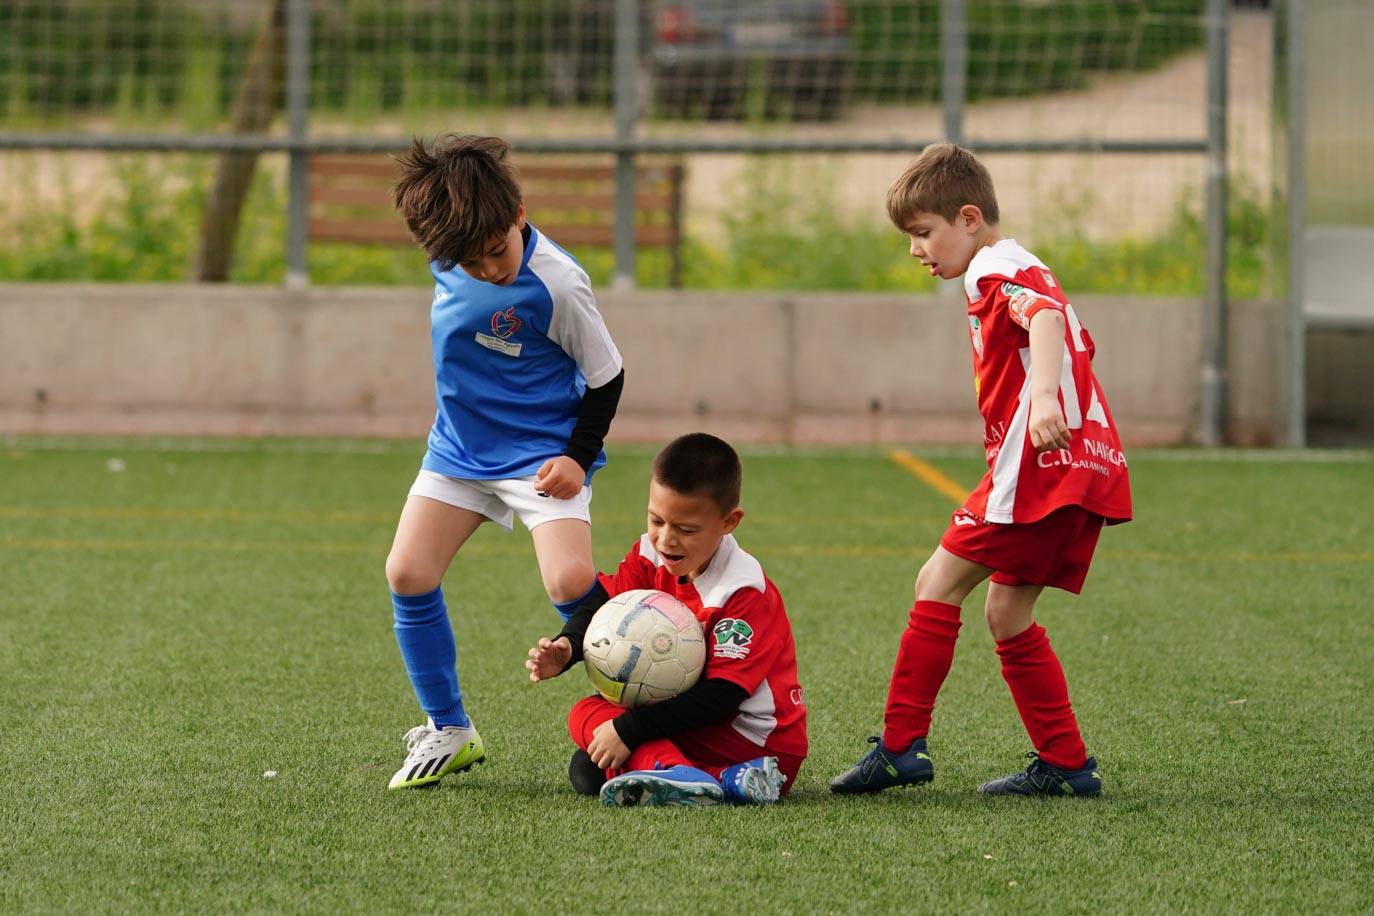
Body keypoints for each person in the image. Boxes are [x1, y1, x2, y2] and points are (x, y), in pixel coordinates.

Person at [830, 143, 1132, 798]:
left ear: (969, 218)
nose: (916, 250)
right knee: (1007, 612)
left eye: (923, 233)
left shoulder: (991, 269)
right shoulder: (1026, 263)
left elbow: (1046, 320)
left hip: (1039, 471)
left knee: (936, 582)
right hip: (1085, 470)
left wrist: (1047, 397)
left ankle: (901, 745)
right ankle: (1067, 764)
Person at [382, 134, 626, 790]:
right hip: (459, 450)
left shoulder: (558, 284)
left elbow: (608, 375)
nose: (490, 269)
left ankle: (648, 698)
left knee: (569, 581)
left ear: (519, 212)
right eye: (471, 260)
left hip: (543, 454)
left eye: (496, 251)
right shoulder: (451, 256)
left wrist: (576, 458)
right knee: (406, 571)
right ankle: (449, 729)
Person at [525, 433, 808, 807]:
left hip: (756, 742)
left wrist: (629, 730)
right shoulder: (650, 554)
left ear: (729, 521)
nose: (666, 539)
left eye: (686, 530)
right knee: (587, 766)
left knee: (592, 723)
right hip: (699, 731)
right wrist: (568, 645)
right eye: (656, 519)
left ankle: (675, 771)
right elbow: (602, 604)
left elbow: (722, 696)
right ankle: (722, 781)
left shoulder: (743, 591)